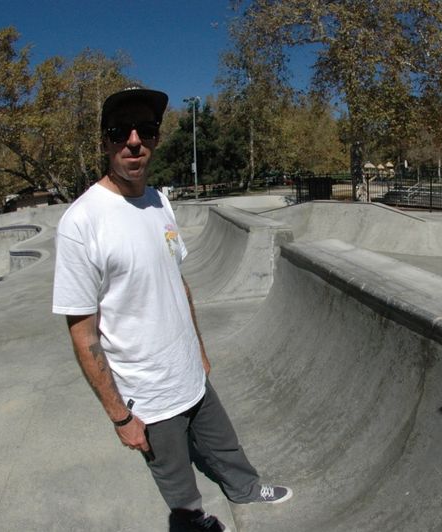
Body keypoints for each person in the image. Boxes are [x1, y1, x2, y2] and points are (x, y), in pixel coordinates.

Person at [52, 86, 291, 532]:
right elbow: (83, 335)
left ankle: (245, 489)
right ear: (104, 142)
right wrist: (120, 416)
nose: (134, 141)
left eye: (146, 130)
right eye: (120, 131)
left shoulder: (159, 201)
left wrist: (198, 349)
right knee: (179, 490)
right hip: (147, 393)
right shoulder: (81, 223)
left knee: (226, 448)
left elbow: (178, 284)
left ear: (157, 139)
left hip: (189, 371)